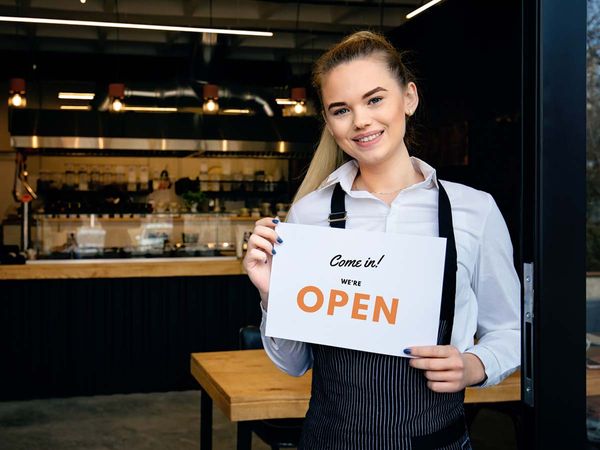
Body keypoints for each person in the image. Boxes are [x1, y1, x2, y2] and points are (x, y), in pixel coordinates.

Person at [243, 31, 520, 449]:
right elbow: (294, 364)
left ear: (408, 98)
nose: (361, 121)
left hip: (436, 441)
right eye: (341, 109)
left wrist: (475, 365)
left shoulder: (474, 212)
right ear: (329, 122)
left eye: (375, 99)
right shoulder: (309, 215)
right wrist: (272, 296)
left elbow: (512, 329)